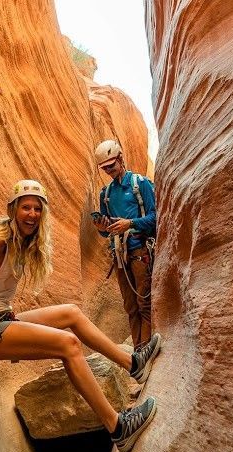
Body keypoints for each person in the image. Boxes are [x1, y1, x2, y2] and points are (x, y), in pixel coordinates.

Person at [0, 179, 162, 452]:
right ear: (13, 210)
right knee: (68, 344)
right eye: (25, 208)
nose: (32, 214)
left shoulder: (25, 242)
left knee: (71, 313)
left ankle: (132, 363)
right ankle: (118, 428)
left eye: (37, 209)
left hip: (0, 318)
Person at [92, 140, 156, 349]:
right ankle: (139, 350)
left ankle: (146, 348)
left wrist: (131, 223)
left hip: (139, 250)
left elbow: (157, 218)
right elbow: (104, 232)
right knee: (130, 305)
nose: (109, 170)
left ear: (120, 158)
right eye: (105, 168)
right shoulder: (106, 194)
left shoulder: (141, 184)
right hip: (119, 253)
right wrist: (102, 225)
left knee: (143, 302)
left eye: (111, 165)